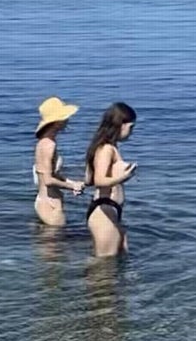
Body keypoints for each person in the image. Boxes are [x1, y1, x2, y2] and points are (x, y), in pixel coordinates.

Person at [84, 102, 138, 257]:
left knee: (115, 265)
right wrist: (124, 176)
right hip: (104, 211)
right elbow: (99, 180)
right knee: (103, 269)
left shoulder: (103, 147)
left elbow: (88, 179)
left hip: (109, 211)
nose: (132, 132)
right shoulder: (106, 149)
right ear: (120, 125)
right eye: (131, 127)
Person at [33, 96, 85, 227]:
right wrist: (72, 187)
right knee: (57, 246)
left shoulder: (43, 143)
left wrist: (72, 183)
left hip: (45, 202)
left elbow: (50, 174)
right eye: (65, 116)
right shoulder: (49, 145)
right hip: (50, 207)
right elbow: (48, 180)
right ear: (57, 121)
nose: (68, 119)